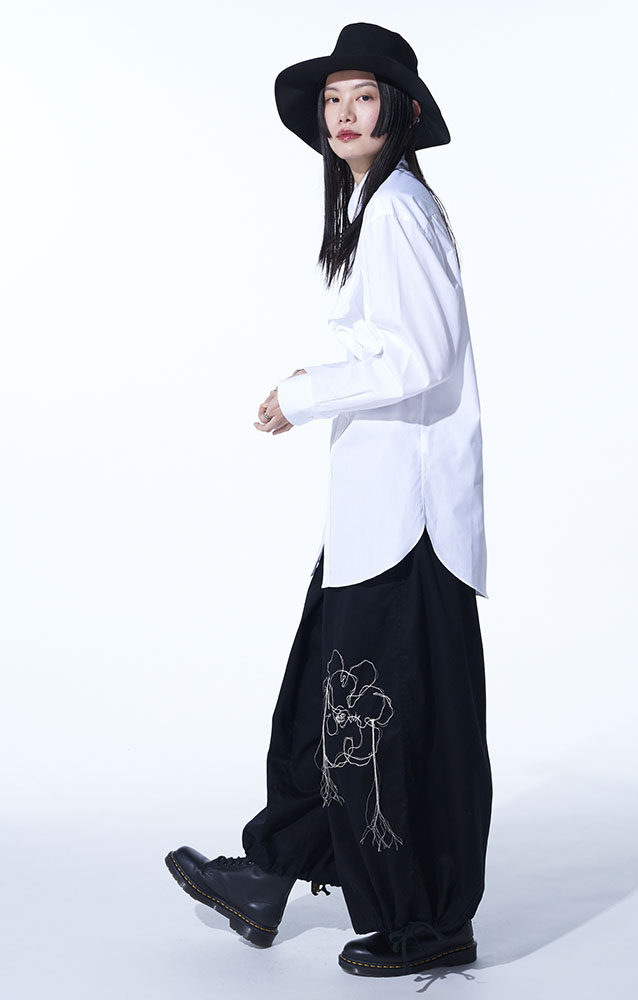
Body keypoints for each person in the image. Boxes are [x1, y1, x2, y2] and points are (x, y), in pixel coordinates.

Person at [165, 22, 493, 978]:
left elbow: (423, 356)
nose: (345, 114)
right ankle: (271, 872)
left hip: (409, 520)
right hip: (375, 513)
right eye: (334, 99)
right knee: (324, 696)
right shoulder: (370, 206)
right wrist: (323, 375)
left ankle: (427, 923)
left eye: (364, 97)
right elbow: (390, 344)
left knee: (387, 718)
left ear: (401, 112)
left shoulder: (396, 210)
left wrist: (304, 396)